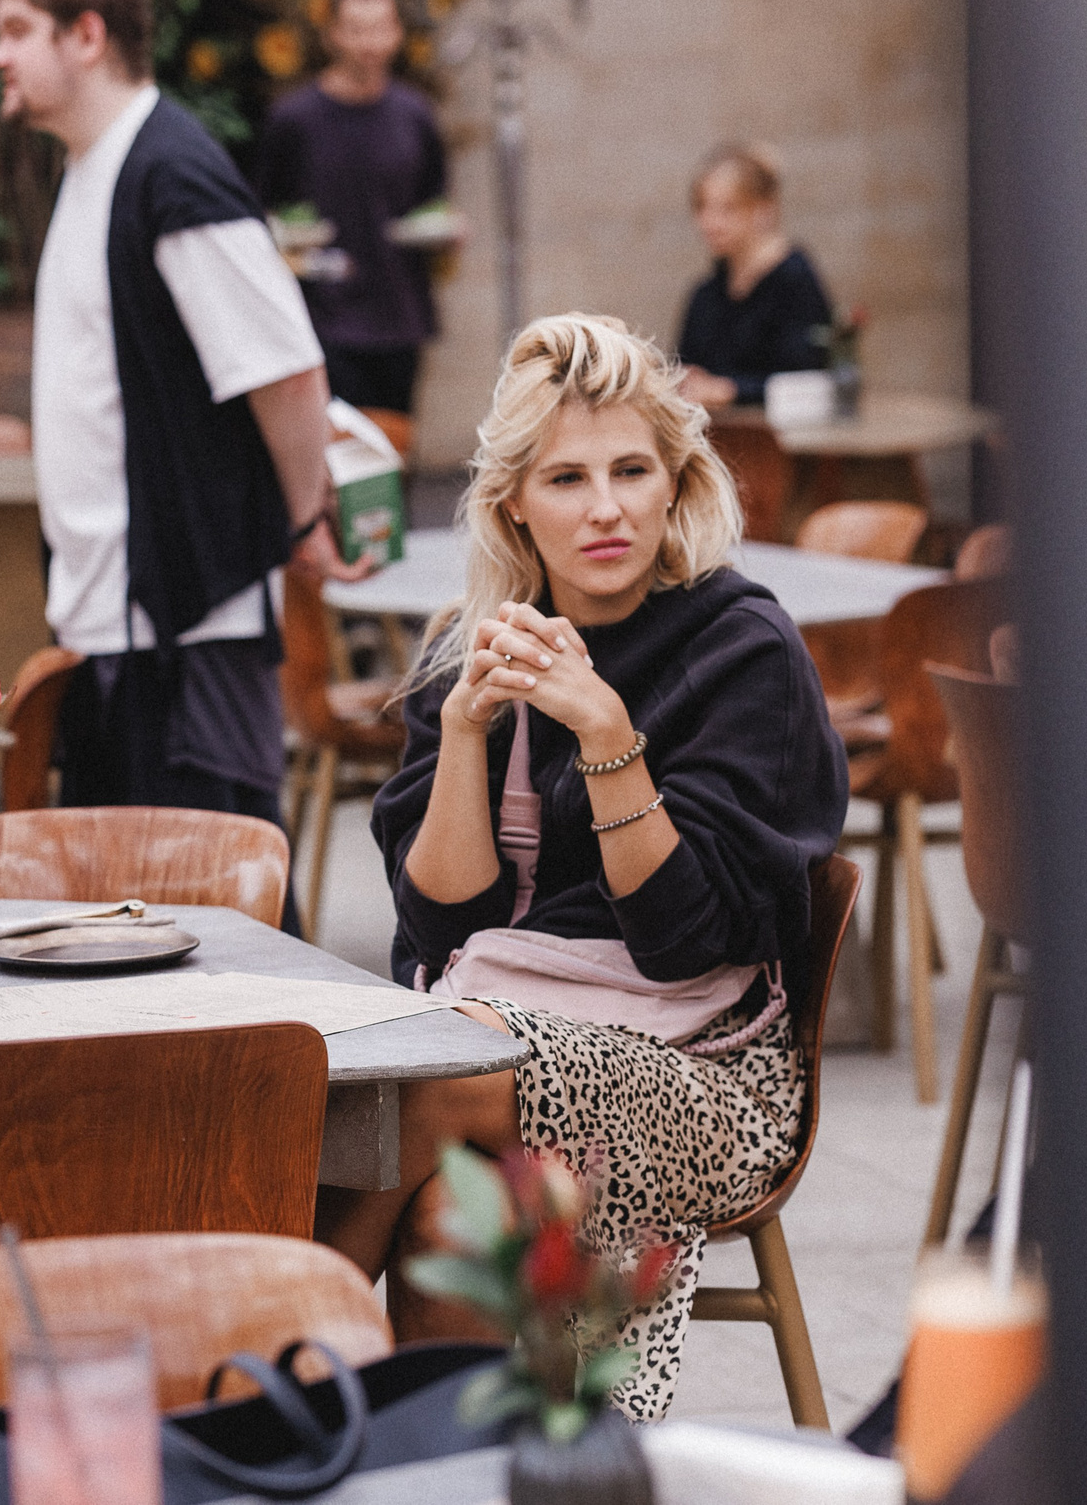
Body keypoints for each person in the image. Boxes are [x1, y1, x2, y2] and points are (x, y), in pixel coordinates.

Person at [327, 312, 849, 1421]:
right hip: (496, 1047)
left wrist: (607, 733)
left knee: (416, 1071)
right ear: (514, 500)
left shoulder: (740, 647)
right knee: (450, 1217)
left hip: (704, 1078)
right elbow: (439, 933)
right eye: (566, 478)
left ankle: (273, 1376)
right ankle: (463, 1473)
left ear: (676, 483)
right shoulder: (474, 644)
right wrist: (463, 731)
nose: (604, 507)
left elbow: (682, 941)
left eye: (631, 471)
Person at [0, 0, 360, 862]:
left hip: (188, 629)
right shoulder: (95, 168)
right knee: (136, 908)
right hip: (114, 624)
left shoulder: (173, 172)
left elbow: (285, 368)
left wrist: (303, 519)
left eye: (17, 30)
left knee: (221, 899)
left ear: (87, 34)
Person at [251, 0, 452, 416]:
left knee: (392, 448)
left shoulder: (415, 115)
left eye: (380, 28)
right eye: (357, 29)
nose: (370, 44)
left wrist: (447, 233)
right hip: (322, 321)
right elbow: (263, 212)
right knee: (336, 449)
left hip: (399, 319)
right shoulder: (294, 120)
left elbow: (433, 203)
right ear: (332, 35)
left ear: (397, 33)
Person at [675, 142, 835, 407]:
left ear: (763, 210)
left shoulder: (794, 281)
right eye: (702, 208)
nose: (709, 223)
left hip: (784, 432)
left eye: (727, 209)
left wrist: (731, 390)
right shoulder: (705, 294)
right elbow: (684, 366)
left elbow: (812, 380)